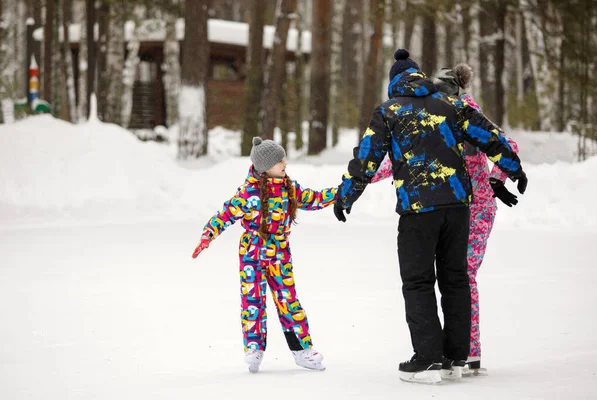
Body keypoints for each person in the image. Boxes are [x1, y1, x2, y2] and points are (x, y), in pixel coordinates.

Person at [333, 49, 527, 384]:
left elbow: (367, 159)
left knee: (418, 282)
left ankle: (427, 360)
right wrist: (512, 167)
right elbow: (488, 135)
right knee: (456, 280)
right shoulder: (451, 104)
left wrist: (346, 195)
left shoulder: (389, 111)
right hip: (457, 208)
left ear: (395, 84)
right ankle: (455, 358)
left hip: (418, 210)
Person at [192, 137, 336, 373]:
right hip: (252, 254)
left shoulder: (290, 188)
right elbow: (225, 214)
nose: (284, 163)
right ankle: (253, 348)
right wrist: (208, 235)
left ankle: (302, 350)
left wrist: (340, 193)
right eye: (279, 160)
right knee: (253, 302)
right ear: (264, 166)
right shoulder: (248, 194)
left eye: (283, 158)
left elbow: (314, 198)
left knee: (288, 301)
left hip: (279, 254)